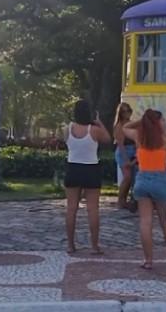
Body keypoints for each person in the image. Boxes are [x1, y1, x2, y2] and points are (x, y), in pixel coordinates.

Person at [123, 109, 166, 270]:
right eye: (161, 120)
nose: (164, 123)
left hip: (142, 180)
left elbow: (125, 127)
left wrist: (142, 121)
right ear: (157, 123)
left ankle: (148, 260)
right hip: (160, 180)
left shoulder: (139, 137)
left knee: (145, 222)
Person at [64, 99, 111, 254]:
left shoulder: (67, 129)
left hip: (73, 167)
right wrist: (99, 122)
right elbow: (108, 139)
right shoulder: (94, 130)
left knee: (71, 209)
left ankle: (70, 245)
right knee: (93, 209)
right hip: (91, 168)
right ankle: (94, 246)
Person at [113, 102, 137, 209]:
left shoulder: (132, 124)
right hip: (124, 151)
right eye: (124, 112)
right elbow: (121, 144)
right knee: (127, 177)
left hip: (133, 150)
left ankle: (126, 200)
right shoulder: (119, 126)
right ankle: (120, 200)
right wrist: (126, 159)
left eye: (128, 110)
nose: (127, 113)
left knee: (132, 177)